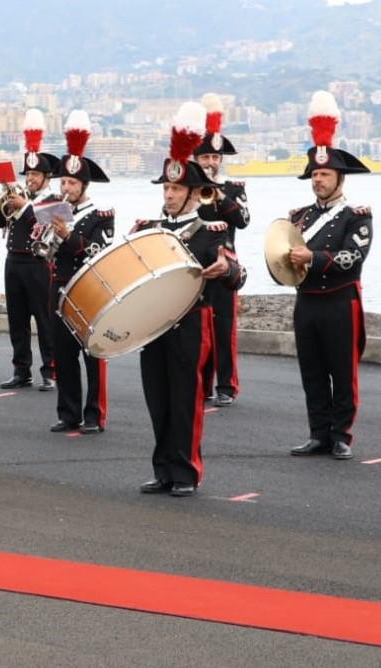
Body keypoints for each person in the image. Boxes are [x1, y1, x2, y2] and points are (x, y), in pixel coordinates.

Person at [131, 103, 242, 497]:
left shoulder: (212, 229)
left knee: (185, 398)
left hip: (191, 323)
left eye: (177, 188)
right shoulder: (148, 229)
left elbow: (237, 273)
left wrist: (223, 271)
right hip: (153, 324)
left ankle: (186, 471)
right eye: (166, 187)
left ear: (195, 192)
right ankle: (162, 470)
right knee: (157, 399)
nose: (170, 193)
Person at [287, 91, 373, 461]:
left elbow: (354, 256)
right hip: (307, 302)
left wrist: (313, 256)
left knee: (342, 372)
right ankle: (318, 433)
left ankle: (342, 435)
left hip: (340, 301)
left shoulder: (357, 215)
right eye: (315, 174)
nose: (318, 180)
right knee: (312, 372)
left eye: (325, 174)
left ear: (340, 178)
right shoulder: (299, 217)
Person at [46, 110, 114, 434]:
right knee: (64, 354)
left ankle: (94, 414)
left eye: (72, 182)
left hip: (88, 290)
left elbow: (98, 252)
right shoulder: (56, 210)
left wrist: (66, 236)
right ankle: (68, 412)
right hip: (58, 286)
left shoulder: (101, 214)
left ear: (84, 185)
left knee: (92, 354)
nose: (66, 187)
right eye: (63, 181)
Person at [0, 108, 61, 391]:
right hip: (14, 262)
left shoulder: (54, 199)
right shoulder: (19, 196)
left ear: (47, 178)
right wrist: (4, 204)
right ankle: (22, 370)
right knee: (16, 320)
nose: (30, 179)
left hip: (38, 264)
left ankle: (50, 370)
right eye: (28, 173)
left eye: (35, 175)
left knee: (44, 320)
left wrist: (25, 206)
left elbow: (47, 224)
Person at [193, 94, 250, 407]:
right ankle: (202, 384)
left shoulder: (233, 189)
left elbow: (242, 220)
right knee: (198, 329)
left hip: (224, 265)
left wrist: (218, 196)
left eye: (215, 159)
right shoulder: (188, 187)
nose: (211, 162)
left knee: (224, 328)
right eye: (205, 158)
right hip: (195, 265)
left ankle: (226, 386)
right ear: (197, 159)